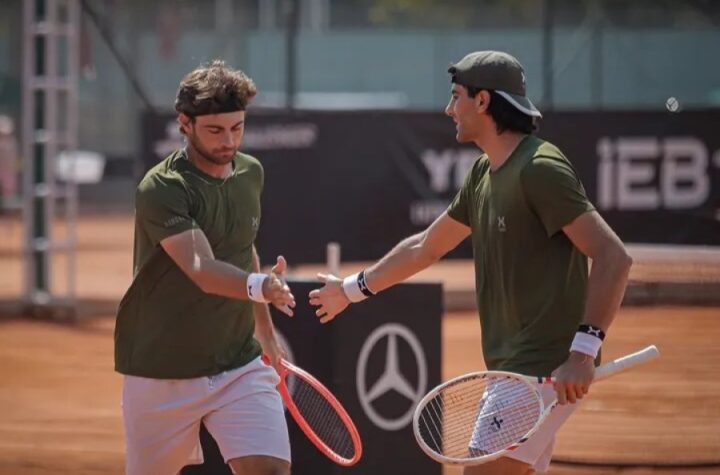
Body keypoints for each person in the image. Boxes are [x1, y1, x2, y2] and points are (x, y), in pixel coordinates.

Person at [309, 51, 632, 475]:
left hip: (540, 371)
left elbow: (613, 256)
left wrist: (583, 354)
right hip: (513, 370)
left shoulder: (541, 168)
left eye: (456, 96)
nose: (449, 109)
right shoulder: (484, 173)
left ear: (482, 101)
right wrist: (351, 290)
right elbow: (426, 246)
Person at [115, 60, 295, 475]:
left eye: (237, 128)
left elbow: (242, 249)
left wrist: (266, 334)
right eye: (215, 130)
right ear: (185, 123)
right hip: (161, 370)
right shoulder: (162, 188)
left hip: (238, 363)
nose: (228, 141)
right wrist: (260, 285)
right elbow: (200, 267)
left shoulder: (250, 173)